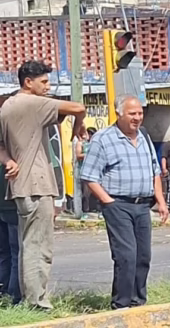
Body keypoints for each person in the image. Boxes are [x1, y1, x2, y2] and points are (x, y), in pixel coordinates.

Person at [0, 60, 86, 310]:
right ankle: (37, 302)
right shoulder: (32, 103)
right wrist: (79, 124)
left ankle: (29, 298)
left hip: (21, 185)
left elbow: (1, 146)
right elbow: (78, 107)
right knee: (39, 247)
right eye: (44, 82)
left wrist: (9, 162)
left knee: (27, 245)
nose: (47, 87)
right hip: (36, 185)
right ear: (28, 82)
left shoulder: (7, 106)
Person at [81, 96, 168, 309]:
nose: (137, 118)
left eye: (140, 113)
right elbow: (89, 176)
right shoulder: (103, 139)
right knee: (126, 255)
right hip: (118, 204)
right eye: (132, 114)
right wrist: (108, 202)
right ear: (119, 114)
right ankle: (121, 304)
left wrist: (161, 200)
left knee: (143, 256)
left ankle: (138, 301)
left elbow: (154, 171)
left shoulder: (144, 136)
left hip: (143, 205)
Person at [0, 168, 18, 304]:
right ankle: (14, 295)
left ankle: (4, 291)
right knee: (16, 253)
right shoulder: (14, 147)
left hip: (7, 204)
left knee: (5, 253)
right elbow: (55, 167)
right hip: (13, 205)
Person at [77, 127, 101, 217]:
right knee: (86, 192)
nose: (91, 136)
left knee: (97, 191)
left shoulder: (96, 143)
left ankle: (97, 209)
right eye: (89, 133)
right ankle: (85, 211)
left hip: (96, 170)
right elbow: (78, 155)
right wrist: (89, 154)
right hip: (85, 170)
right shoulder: (82, 143)